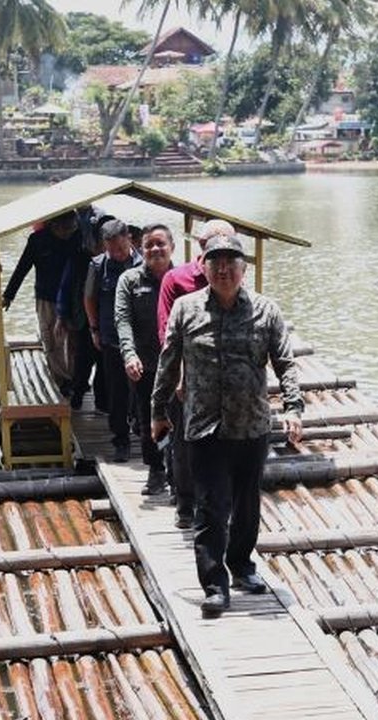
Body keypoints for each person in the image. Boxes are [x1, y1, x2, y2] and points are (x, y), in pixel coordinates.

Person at [151, 233, 303, 619]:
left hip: (251, 426)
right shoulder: (186, 309)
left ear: (243, 269)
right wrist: (157, 412)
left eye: (230, 263)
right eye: (215, 262)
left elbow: (285, 362)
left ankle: (241, 565)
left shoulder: (266, 311)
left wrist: (293, 407)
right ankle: (214, 585)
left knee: (247, 506)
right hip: (204, 427)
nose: (223, 269)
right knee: (211, 508)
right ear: (202, 266)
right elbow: (168, 363)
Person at [156, 218, 236, 529]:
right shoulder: (176, 280)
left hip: (225, 381)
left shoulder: (234, 278)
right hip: (187, 378)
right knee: (185, 440)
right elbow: (166, 334)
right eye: (214, 248)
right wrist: (177, 375)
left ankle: (220, 501)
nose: (222, 259)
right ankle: (185, 502)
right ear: (201, 248)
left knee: (227, 441)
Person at [115, 224, 175, 494]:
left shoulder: (182, 277)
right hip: (145, 363)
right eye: (149, 245)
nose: (155, 249)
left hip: (180, 365)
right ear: (141, 248)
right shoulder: (130, 280)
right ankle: (156, 469)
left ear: (171, 246)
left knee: (181, 418)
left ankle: (179, 473)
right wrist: (129, 354)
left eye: (160, 243)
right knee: (148, 418)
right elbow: (122, 320)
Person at [84, 219, 142, 461]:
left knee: (144, 390)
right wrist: (94, 329)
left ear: (128, 238)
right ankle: (121, 439)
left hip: (143, 342)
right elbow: (89, 299)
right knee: (116, 391)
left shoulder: (145, 263)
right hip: (111, 339)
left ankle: (144, 429)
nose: (117, 254)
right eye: (111, 250)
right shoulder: (98, 266)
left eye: (120, 248)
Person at [2, 212, 76, 396]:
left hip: (73, 298)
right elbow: (22, 267)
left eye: (71, 228)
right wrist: (9, 295)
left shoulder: (77, 238)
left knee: (74, 341)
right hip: (46, 298)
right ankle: (62, 379)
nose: (68, 233)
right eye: (64, 229)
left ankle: (76, 378)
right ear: (54, 225)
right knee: (51, 339)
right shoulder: (37, 240)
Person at [54, 206, 102, 410]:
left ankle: (102, 403)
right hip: (81, 318)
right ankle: (78, 392)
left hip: (106, 320)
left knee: (105, 364)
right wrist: (61, 317)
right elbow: (65, 288)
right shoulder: (78, 258)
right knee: (83, 358)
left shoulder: (117, 261)